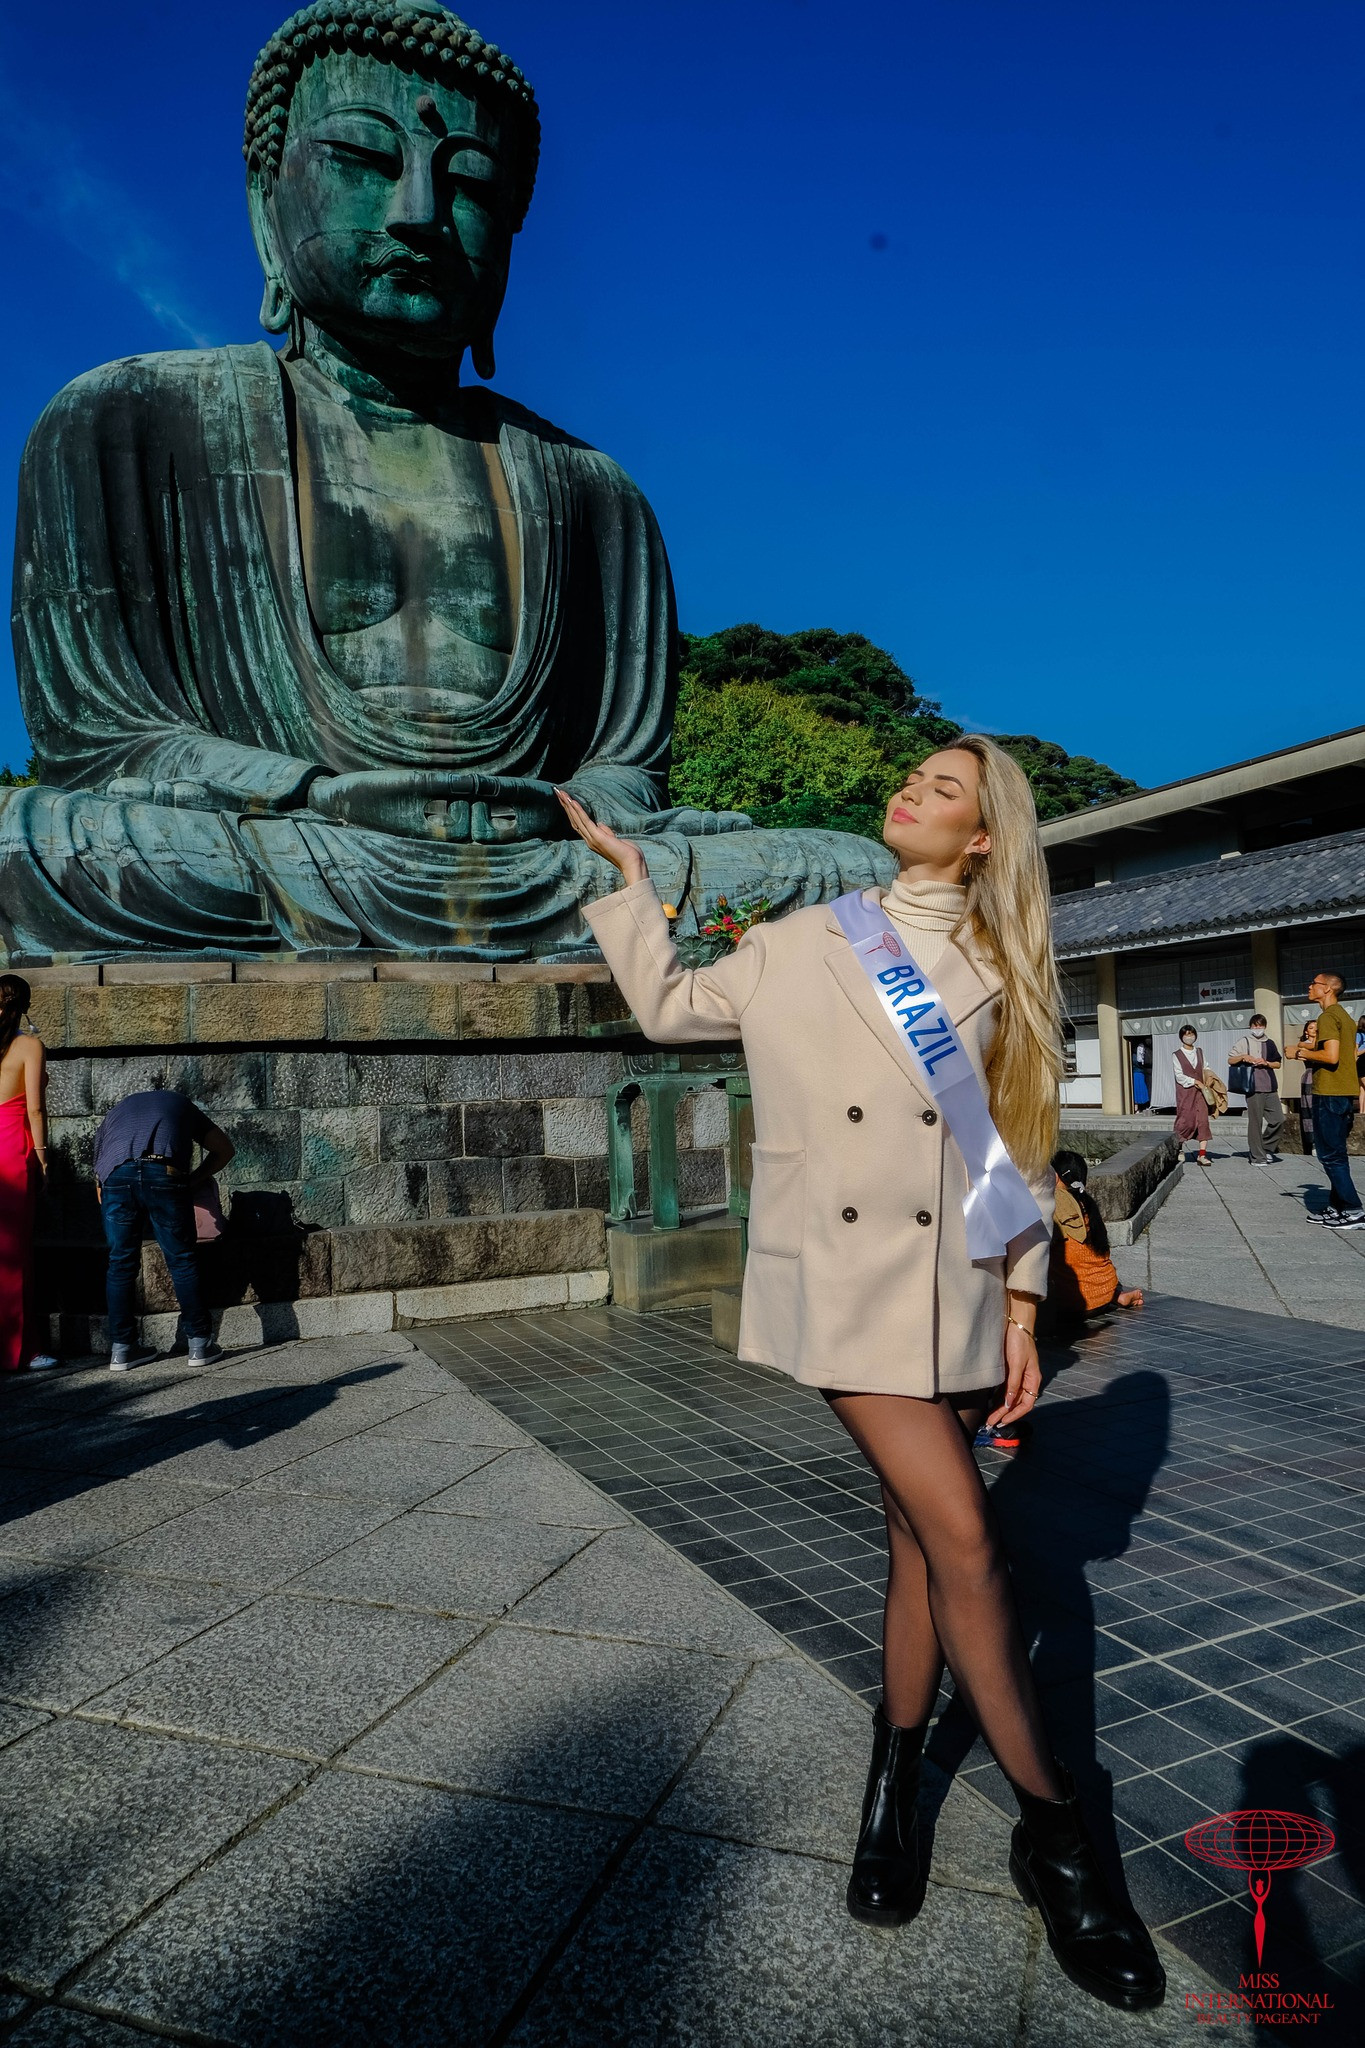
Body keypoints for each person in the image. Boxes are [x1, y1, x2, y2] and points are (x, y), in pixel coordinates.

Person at [560, 740, 1165, 2013]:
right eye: (915, 778)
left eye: (944, 790)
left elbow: (1006, 1153)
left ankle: (894, 1786)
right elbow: (671, 1009)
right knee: (972, 1540)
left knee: (915, 1540)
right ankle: (1059, 1831)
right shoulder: (800, 935)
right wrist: (626, 878)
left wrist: (1017, 1304)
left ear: (985, 839)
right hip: (836, 1282)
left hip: (943, 1282)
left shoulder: (1004, 971)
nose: (911, 792)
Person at [93, 1089, 236, 1369]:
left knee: (120, 1262)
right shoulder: (181, 1104)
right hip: (163, 1171)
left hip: (115, 1176)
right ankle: (199, 1344)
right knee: (181, 1259)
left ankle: (122, 1349)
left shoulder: (115, 1114)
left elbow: (99, 1184)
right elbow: (225, 1149)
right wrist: (194, 1180)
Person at [0, 975, 58, 1373]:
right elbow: (35, 1109)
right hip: (12, 1153)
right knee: (15, 1256)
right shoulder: (28, 1045)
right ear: (25, 1004)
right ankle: (22, 1350)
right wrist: (43, 1158)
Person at [1285, 974, 1363, 1229]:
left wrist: (1299, 1052)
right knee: (1337, 1153)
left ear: (1327, 989)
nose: (1309, 986)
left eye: (1314, 983)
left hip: (1329, 1092)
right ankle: (1336, 1206)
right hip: (1343, 1092)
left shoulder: (1327, 1017)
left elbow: (1331, 1057)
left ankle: (1353, 1210)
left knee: (1330, 1155)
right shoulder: (1346, 1018)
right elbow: (1348, 1055)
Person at [1046, 1151, 1145, 1324]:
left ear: (1054, 1177)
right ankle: (1117, 1297)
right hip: (1105, 1292)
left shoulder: (1055, 1202)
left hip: (1074, 1304)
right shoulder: (1087, 1203)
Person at [1228, 1014, 1283, 1167]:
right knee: (1255, 1123)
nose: (1258, 1028)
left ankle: (1266, 1148)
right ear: (1250, 1026)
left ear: (1265, 1026)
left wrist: (1266, 1062)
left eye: (1260, 1025)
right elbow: (1231, 1060)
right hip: (1252, 1087)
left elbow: (1278, 1063)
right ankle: (1257, 1157)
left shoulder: (1270, 1043)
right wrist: (1244, 1057)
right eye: (1255, 1025)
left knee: (1279, 1119)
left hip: (1270, 1086)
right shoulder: (1244, 1041)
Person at [1171, 1024, 1211, 1165]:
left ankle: (1202, 1155)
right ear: (1181, 1037)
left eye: (1191, 1034)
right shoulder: (1177, 1055)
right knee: (1185, 1120)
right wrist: (1194, 1081)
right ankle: (1179, 1148)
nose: (1189, 1037)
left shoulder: (1199, 1052)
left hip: (1201, 1092)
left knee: (1203, 1121)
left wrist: (1209, 1079)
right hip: (1186, 1092)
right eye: (1186, 1034)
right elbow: (1179, 1076)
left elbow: (1205, 1068)